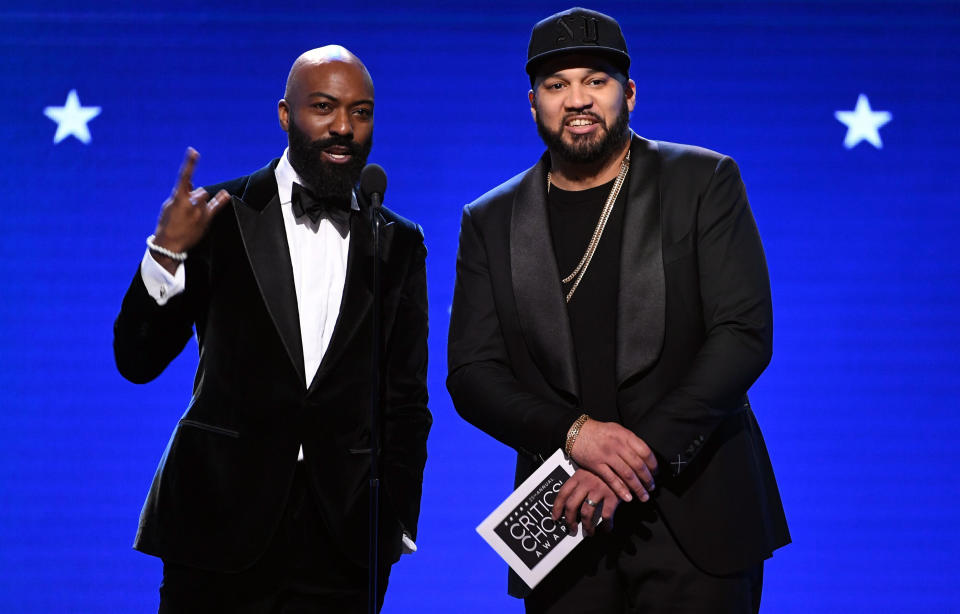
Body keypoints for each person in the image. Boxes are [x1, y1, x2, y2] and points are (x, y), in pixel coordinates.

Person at [447, 8, 789, 613]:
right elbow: (472, 375)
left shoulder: (703, 181)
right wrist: (575, 436)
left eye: (595, 81)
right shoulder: (490, 220)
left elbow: (743, 334)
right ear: (532, 104)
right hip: (565, 522)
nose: (577, 99)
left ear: (628, 92)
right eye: (556, 86)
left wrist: (630, 457)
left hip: (697, 512)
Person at [114, 45, 431, 612]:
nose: (343, 127)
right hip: (217, 527)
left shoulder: (398, 241)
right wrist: (165, 254)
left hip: (346, 542)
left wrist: (397, 521)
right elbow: (136, 361)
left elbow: (405, 399)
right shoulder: (220, 213)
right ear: (286, 115)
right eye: (324, 107)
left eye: (361, 112)